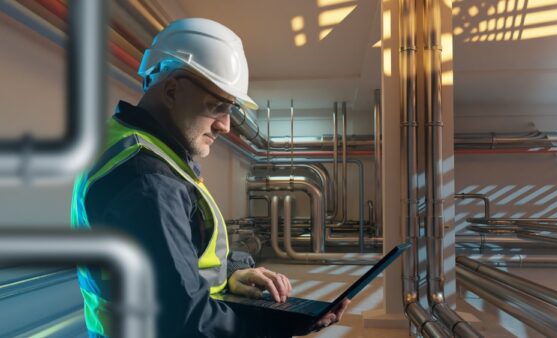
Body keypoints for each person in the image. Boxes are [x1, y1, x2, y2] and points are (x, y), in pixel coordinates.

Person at [71, 18, 349, 338]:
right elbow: (187, 323)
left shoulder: (137, 148)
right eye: (217, 106)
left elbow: (181, 270)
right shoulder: (148, 181)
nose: (226, 126)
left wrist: (233, 273)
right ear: (172, 90)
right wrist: (286, 322)